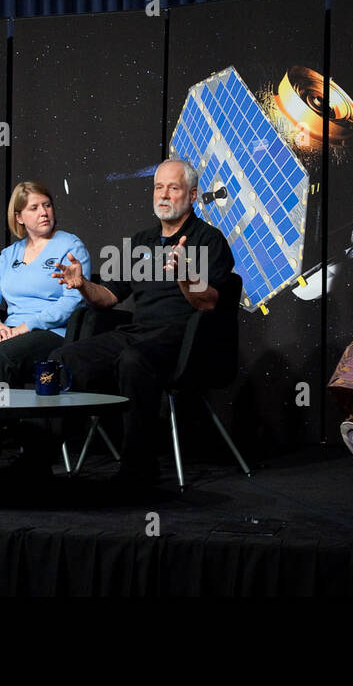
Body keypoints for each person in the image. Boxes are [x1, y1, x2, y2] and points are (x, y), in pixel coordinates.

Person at [51, 159, 234, 488]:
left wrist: (185, 276)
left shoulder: (209, 240)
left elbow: (209, 303)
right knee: (64, 359)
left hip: (186, 340)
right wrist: (82, 285)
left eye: (173, 188)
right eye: (158, 187)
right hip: (138, 333)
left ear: (192, 196)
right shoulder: (141, 241)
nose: (164, 195)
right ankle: (37, 459)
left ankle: (138, 471)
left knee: (135, 361)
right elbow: (108, 297)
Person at [0, 181, 89, 469]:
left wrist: (27, 326)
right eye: (34, 208)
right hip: (9, 329)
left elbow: (73, 301)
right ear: (19, 217)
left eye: (47, 205)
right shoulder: (10, 254)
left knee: (1, 355)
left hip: (52, 332)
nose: (43, 213)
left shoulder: (70, 246)